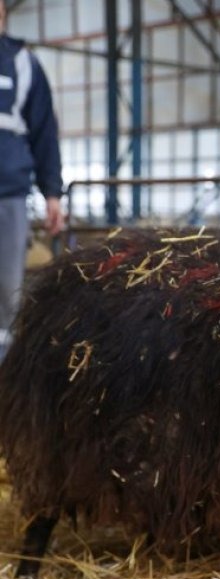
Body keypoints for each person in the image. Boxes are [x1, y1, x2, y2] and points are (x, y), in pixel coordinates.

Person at [0, 1, 62, 359]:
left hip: (7, 196)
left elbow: (44, 131)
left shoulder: (22, 63)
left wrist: (52, 193)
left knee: (7, 290)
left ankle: (4, 372)